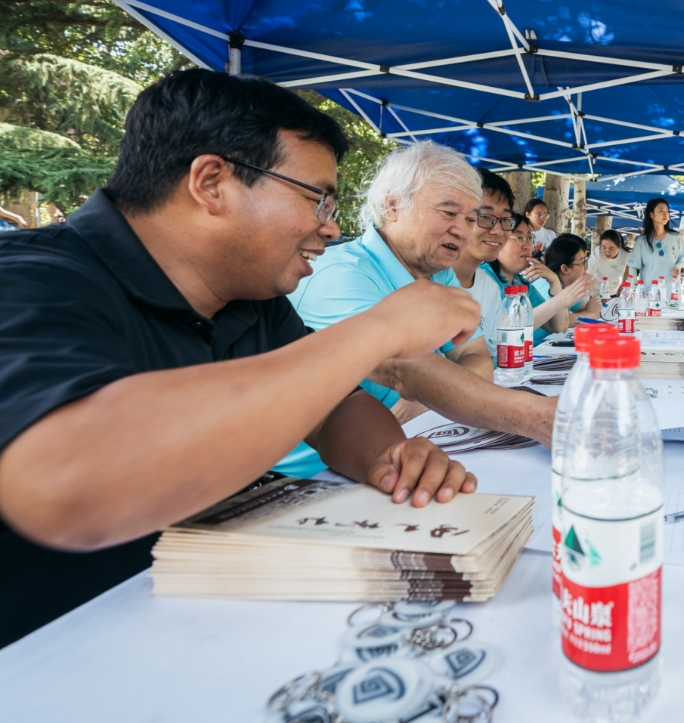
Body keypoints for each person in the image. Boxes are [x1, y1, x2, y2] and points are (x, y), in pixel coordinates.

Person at [0, 70, 478, 647]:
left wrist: (388, 456)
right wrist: (379, 329)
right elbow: (65, 482)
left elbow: (333, 407)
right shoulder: (30, 280)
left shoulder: (251, 298)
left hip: (208, 618)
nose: (330, 228)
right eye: (317, 198)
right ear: (211, 183)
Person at [286, 145, 557, 470]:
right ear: (393, 205)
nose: (462, 229)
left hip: (414, 445)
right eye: (448, 213)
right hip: (320, 476)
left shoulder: (440, 273)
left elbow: (476, 357)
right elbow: (407, 370)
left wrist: (425, 402)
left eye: (471, 218)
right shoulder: (340, 275)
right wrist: (535, 415)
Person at [486, 215, 592, 346]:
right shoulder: (484, 277)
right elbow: (506, 329)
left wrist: (554, 282)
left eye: (529, 237)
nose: (527, 245)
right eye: (519, 237)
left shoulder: (521, 283)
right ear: (497, 242)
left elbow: (558, 326)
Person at [451, 168, 518, 364]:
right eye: (486, 217)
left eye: (505, 220)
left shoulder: (490, 288)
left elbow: (488, 359)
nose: (498, 230)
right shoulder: (428, 281)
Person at [544, 233, 601, 322]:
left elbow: (593, 308)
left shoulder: (568, 288)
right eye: (583, 263)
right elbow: (557, 323)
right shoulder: (546, 287)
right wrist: (589, 314)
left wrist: (591, 311)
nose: (586, 267)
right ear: (565, 269)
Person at [628, 198, 684, 284]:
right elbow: (633, 267)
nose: (665, 214)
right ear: (651, 215)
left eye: (667, 211)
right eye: (661, 210)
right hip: (648, 289)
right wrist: (633, 287)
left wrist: (678, 266)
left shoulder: (676, 237)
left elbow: (682, 258)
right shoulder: (641, 241)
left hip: (672, 289)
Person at [586, 228, 630, 294]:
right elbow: (588, 274)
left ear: (619, 246)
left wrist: (623, 285)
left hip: (615, 290)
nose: (607, 252)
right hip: (596, 290)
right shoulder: (597, 254)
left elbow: (628, 270)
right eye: (603, 248)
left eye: (611, 249)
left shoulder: (626, 255)